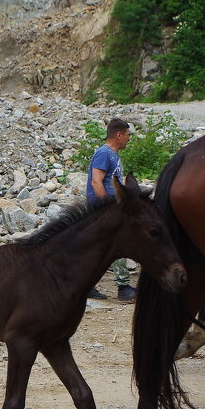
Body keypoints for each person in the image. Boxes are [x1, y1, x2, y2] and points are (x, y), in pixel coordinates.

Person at [84, 117, 136, 303]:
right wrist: (107, 207)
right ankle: (123, 287)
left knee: (99, 247)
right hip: (102, 209)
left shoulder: (113, 155)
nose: (129, 138)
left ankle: (88, 285)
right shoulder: (103, 153)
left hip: (108, 208)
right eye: (128, 135)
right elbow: (96, 181)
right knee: (118, 244)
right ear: (119, 134)